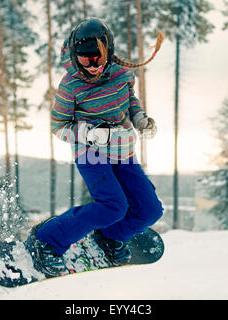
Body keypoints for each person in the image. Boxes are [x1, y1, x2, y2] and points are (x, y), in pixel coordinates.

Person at [26, 18, 165, 277]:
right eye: (85, 59)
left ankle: (110, 236)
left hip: (123, 151)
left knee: (149, 209)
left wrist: (140, 120)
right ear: (75, 56)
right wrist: (90, 134)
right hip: (90, 153)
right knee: (113, 205)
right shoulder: (70, 87)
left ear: (108, 53)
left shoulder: (123, 74)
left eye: (98, 59)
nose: (92, 65)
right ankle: (47, 240)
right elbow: (58, 126)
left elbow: (128, 99)